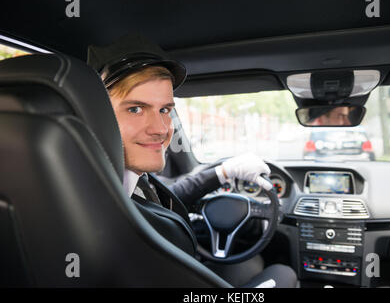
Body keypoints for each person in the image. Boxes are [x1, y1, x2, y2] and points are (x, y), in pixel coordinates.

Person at [87, 34, 297, 288]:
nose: (161, 129)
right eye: (135, 109)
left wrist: (224, 171)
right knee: (284, 274)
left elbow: (166, 198)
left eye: (165, 110)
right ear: (94, 112)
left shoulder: (125, 179)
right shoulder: (94, 203)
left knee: (250, 264)